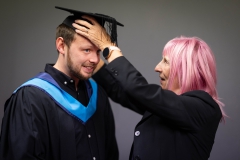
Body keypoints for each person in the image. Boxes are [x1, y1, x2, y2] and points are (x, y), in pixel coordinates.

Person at [72, 16, 226, 160]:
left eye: (165, 62)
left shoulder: (203, 108)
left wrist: (108, 47)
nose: (157, 68)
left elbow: (137, 89)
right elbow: (121, 92)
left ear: (186, 69)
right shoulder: (166, 108)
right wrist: (93, 61)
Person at [0, 6, 124, 160]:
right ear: (61, 45)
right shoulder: (31, 98)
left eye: (98, 51)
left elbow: (110, 153)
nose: (95, 59)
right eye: (86, 50)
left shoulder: (98, 95)